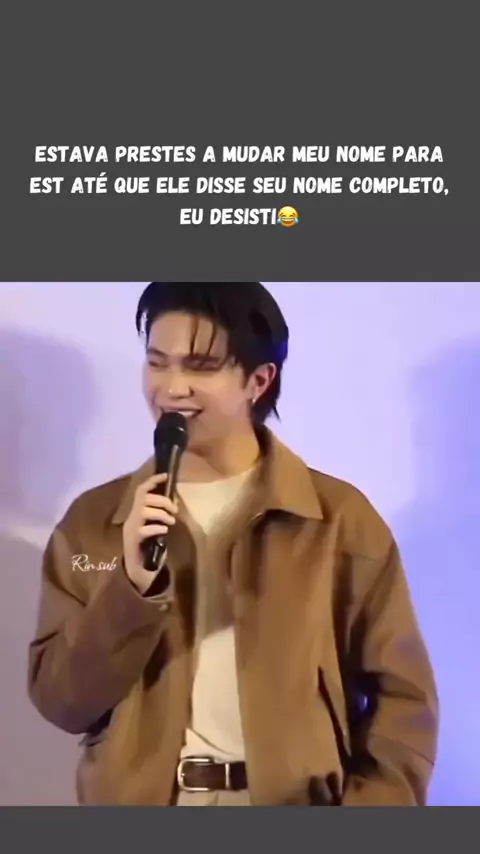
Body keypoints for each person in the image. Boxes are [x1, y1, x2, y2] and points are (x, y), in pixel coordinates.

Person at [27, 282, 438, 806]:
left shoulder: (337, 520)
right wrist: (129, 588)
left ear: (259, 380)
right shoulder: (94, 522)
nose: (172, 387)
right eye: (157, 363)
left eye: (200, 366)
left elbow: (403, 702)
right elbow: (62, 701)